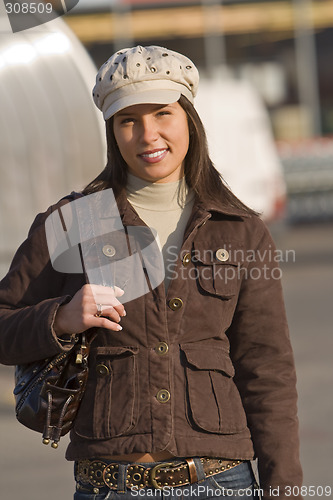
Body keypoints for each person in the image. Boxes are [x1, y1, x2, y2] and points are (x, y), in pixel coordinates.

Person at [0, 45, 302, 499]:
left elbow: (268, 372)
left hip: (222, 483)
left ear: (188, 120)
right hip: (109, 486)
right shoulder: (72, 222)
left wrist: (286, 492)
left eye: (162, 113)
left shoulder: (240, 230)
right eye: (128, 121)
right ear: (112, 132)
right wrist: (60, 317)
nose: (148, 134)